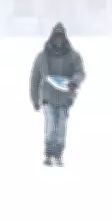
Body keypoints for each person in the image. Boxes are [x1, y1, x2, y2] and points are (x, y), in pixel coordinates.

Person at [30, 22, 86, 166]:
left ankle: (58, 154)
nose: (59, 40)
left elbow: (80, 72)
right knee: (50, 125)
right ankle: (49, 154)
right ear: (52, 38)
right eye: (57, 37)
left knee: (61, 126)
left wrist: (74, 82)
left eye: (61, 37)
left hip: (65, 98)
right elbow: (35, 79)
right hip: (48, 97)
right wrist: (35, 99)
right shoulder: (42, 57)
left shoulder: (73, 56)